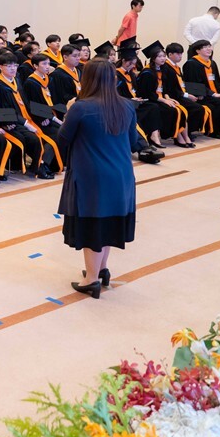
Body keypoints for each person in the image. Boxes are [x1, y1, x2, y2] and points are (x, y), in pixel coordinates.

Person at [57, 58, 140, 299]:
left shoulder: (80, 108)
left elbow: (63, 139)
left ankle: (91, 280)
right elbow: (134, 141)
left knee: (93, 225)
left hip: (92, 175)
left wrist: (69, 110)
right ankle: (101, 269)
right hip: (121, 173)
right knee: (109, 222)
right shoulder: (127, 105)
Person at [182, 39, 220, 138]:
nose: (209, 49)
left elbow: (217, 82)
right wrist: (214, 94)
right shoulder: (191, 64)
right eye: (205, 47)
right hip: (201, 95)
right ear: (197, 51)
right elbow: (193, 85)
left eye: (209, 46)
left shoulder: (212, 63)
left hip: (214, 93)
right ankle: (215, 131)